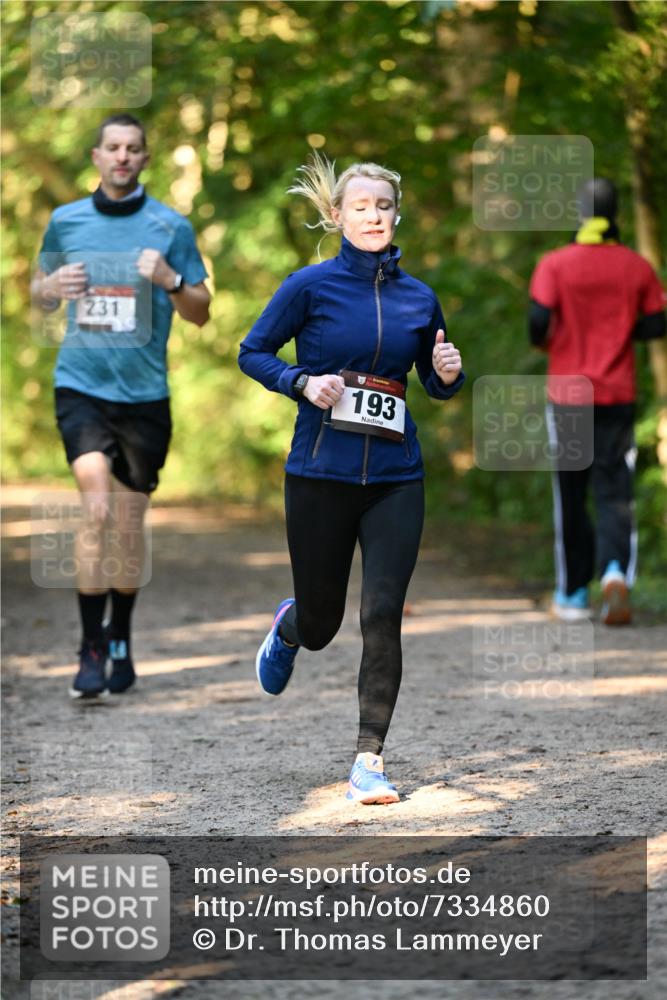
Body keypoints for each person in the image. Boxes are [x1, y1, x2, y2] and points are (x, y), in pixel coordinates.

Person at [238, 153, 464, 804]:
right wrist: (300, 381)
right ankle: (290, 627)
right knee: (323, 622)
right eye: (361, 206)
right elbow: (251, 352)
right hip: (319, 471)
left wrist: (447, 375)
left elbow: (431, 379)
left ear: (396, 215)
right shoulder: (307, 287)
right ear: (337, 216)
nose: (374, 216)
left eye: (384, 206)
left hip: (397, 475)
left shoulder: (419, 297)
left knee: (383, 614)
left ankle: (369, 759)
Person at [32, 114, 210, 697]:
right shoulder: (66, 220)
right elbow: (39, 292)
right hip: (80, 386)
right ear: (97, 156)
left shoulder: (169, 226)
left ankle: (120, 640)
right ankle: (87, 648)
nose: (123, 157)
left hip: (144, 397)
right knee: (97, 509)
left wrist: (169, 277)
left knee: (129, 527)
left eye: (134, 148)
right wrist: (52, 290)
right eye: (113, 148)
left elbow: (201, 310)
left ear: (145, 159)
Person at [529, 177, 665, 624]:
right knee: (615, 490)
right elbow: (656, 323)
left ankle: (571, 595)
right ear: (616, 213)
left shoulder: (554, 264)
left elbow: (537, 322)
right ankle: (614, 574)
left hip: (567, 393)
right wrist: (621, 329)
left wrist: (553, 342)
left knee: (570, 493)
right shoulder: (636, 266)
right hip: (617, 393)